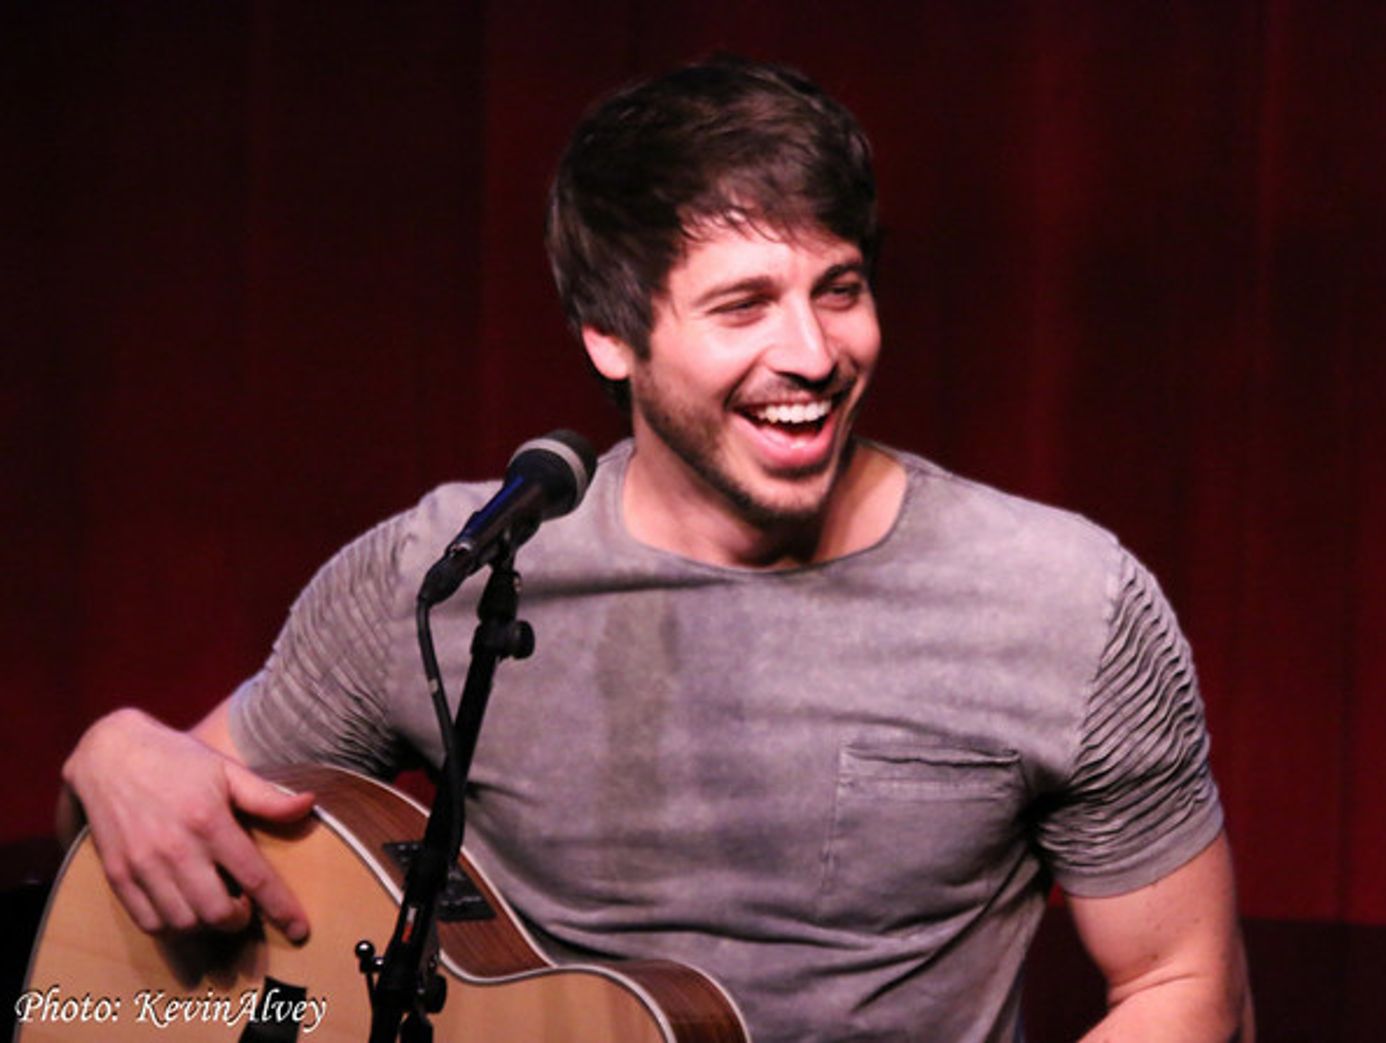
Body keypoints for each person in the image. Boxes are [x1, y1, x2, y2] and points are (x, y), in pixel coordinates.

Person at [59, 56, 1252, 1041]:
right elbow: (173, 821)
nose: (812, 352)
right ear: (607, 337)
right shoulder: (456, 569)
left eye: (838, 290)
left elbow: (1184, 984)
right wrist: (112, 754)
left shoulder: (1061, 599)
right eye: (742, 306)